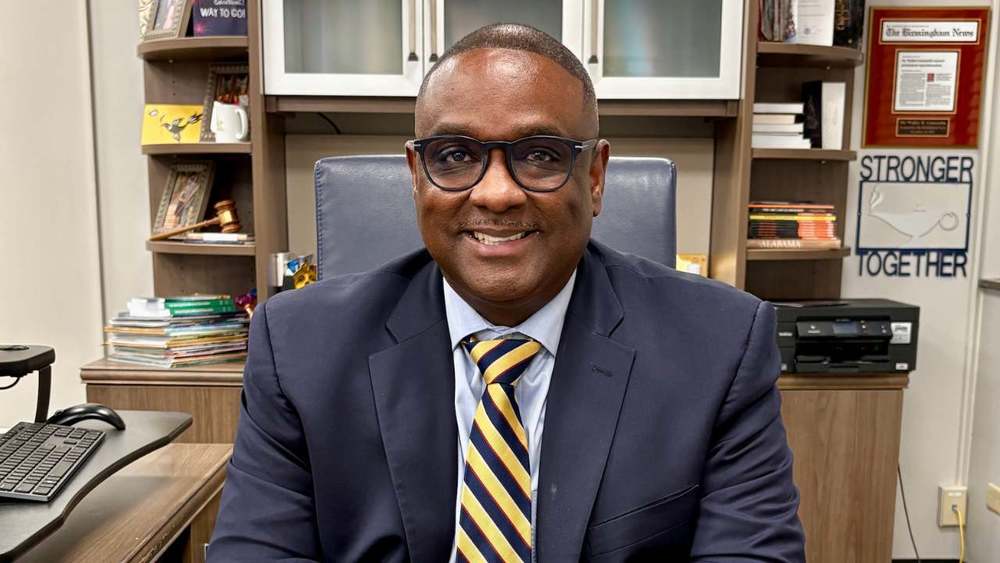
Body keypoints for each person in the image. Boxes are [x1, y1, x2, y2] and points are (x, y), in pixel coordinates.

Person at [209, 24, 805, 562]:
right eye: (454, 155)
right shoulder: (298, 345)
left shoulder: (720, 345)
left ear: (595, 178)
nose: (496, 194)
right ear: (417, 178)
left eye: (541, 155)